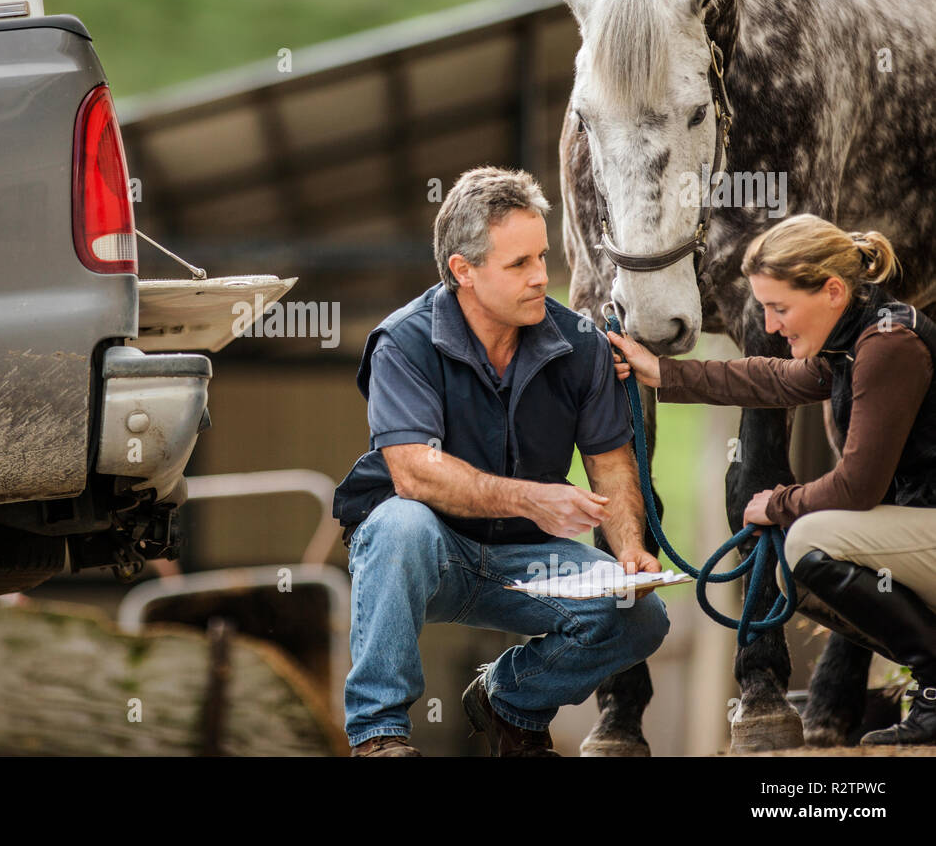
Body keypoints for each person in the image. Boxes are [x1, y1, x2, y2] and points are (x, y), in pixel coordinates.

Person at [332, 166, 670, 757]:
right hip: (428, 554)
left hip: (525, 558)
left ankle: (509, 700)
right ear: (463, 270)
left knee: (643, 618)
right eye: (519, 264)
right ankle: (379, 733)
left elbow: (611, 464)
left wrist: (628, 550)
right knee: (399, 523)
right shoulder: (403, 341)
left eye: (542, 256)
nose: (541, 276)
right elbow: (413, 472)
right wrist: (533, 499)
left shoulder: (581, 344)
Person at [607, 213, 936, 745]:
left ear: (832, 291)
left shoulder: (887, 345)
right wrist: (662, 372)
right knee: (795, 562)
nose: (772, 325)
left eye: (780, 308)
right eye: (763, 308)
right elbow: (771, 377)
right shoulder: (855, 336)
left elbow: (857, 489)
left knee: (805, 542)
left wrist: (777, 503)